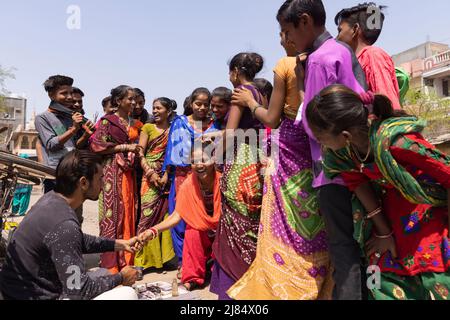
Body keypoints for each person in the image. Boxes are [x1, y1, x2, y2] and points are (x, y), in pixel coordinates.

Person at [306, 84, 450, 300]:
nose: (318, 142)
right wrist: (384, 233)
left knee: (434, 281)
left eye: (320, 136)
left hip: (428, 225)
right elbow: (357, 184)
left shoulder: (399, 143)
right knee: (378, 281)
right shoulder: (344, 153)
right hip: (390, 224)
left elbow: (446, 173)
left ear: (345, 135)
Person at [228, 31, 332, 300]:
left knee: (283, 214)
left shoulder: (286, 65)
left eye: (283, 33)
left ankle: (285, 282)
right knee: (315, 212)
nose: (281, 40)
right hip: (320, 145)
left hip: (287, 146)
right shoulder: (328, 58)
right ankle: (319, 280)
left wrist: (250, 103)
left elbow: (272, 119)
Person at [278, 0, 368, 300]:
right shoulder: (341, 50)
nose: (287, 39)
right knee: (364, 246)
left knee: (343, 249)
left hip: (332, 169)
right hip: (359, 161)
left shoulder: (318, 60)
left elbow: (313, 126)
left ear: (305, 22)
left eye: (288, 30)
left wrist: (302, 87)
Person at [0, 150, 141, 300]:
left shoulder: (50, 200)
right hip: (31, 295)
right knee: (128, 294)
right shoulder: (65, 226)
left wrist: (119, 244)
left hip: (16, 290)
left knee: (103, 274)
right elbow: (78, 291)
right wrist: (121, 277)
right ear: (84, 183)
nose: (103, 183)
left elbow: (78, 239)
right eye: (100, 179)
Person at [210, 52, 266, 300]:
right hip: (256, 162)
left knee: (233, 224)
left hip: (239, 161)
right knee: (251, 224)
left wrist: (214, 159)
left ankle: (232, 291)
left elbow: (230, 132)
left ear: (235, 71)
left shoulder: (239, 94)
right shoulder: (260, 94)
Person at [139, 144, 221, 291]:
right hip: (202, 229)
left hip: (222, 228)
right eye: (195, 161)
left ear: (214, 159)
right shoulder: (189, 184)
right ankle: (192, 277)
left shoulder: (223, 181)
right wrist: (152, 231)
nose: (200, 165)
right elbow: (176, 216)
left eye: (204, 159)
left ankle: (219, 272)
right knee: (192, 231)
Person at [161, 88, 221, 278]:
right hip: (183, 175)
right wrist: (166, 173)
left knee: (205, 220)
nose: (202, 107)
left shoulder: (215, 125)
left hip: (208, 176)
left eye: (206, 104)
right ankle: (183, 262)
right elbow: (172, 148)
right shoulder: (180, 123)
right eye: (198, 103)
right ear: (191, 103)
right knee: (182, 219)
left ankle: (206, 262)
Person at [90, 85, 144, 274]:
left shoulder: (133, 122)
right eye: (129, 99)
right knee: (112, 216)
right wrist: (124, 148)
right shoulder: (107, 121)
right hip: (111, 172)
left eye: (134, 99)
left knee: (128, 212)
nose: (132, 102)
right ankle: (111, 263)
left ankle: (126, 260)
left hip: (129, 173)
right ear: (119, 101)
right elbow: (97, 145)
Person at [134, 98, 177, 271]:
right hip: (148, 177)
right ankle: (140, 261)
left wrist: (166, 174)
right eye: (154, 108)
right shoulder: (147, 128)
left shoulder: (173, 130)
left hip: (166, 178)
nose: (155, 111)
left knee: (165, 217)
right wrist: (150, 173)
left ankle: (164, 258)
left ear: (168, 111)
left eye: (159, 108)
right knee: (146, 217)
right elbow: (139, 152)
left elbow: (173, 153)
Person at [335, 3, 402, 110]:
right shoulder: (354, 61)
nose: (336, 38)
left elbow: (388, 106)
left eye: (340, 30)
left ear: (355, 29)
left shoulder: (373, 56)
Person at [35, 75, 84, 193]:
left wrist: (85, 133)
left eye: (71, 93)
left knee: (74, 210)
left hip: (73, 171)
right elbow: (51, 144)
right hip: (55, 174)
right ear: (51, 95)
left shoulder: (70, 116)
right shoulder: (42, 118)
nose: (69, 97)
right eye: (64, 93)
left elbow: (75, 145)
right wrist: (73, 129)